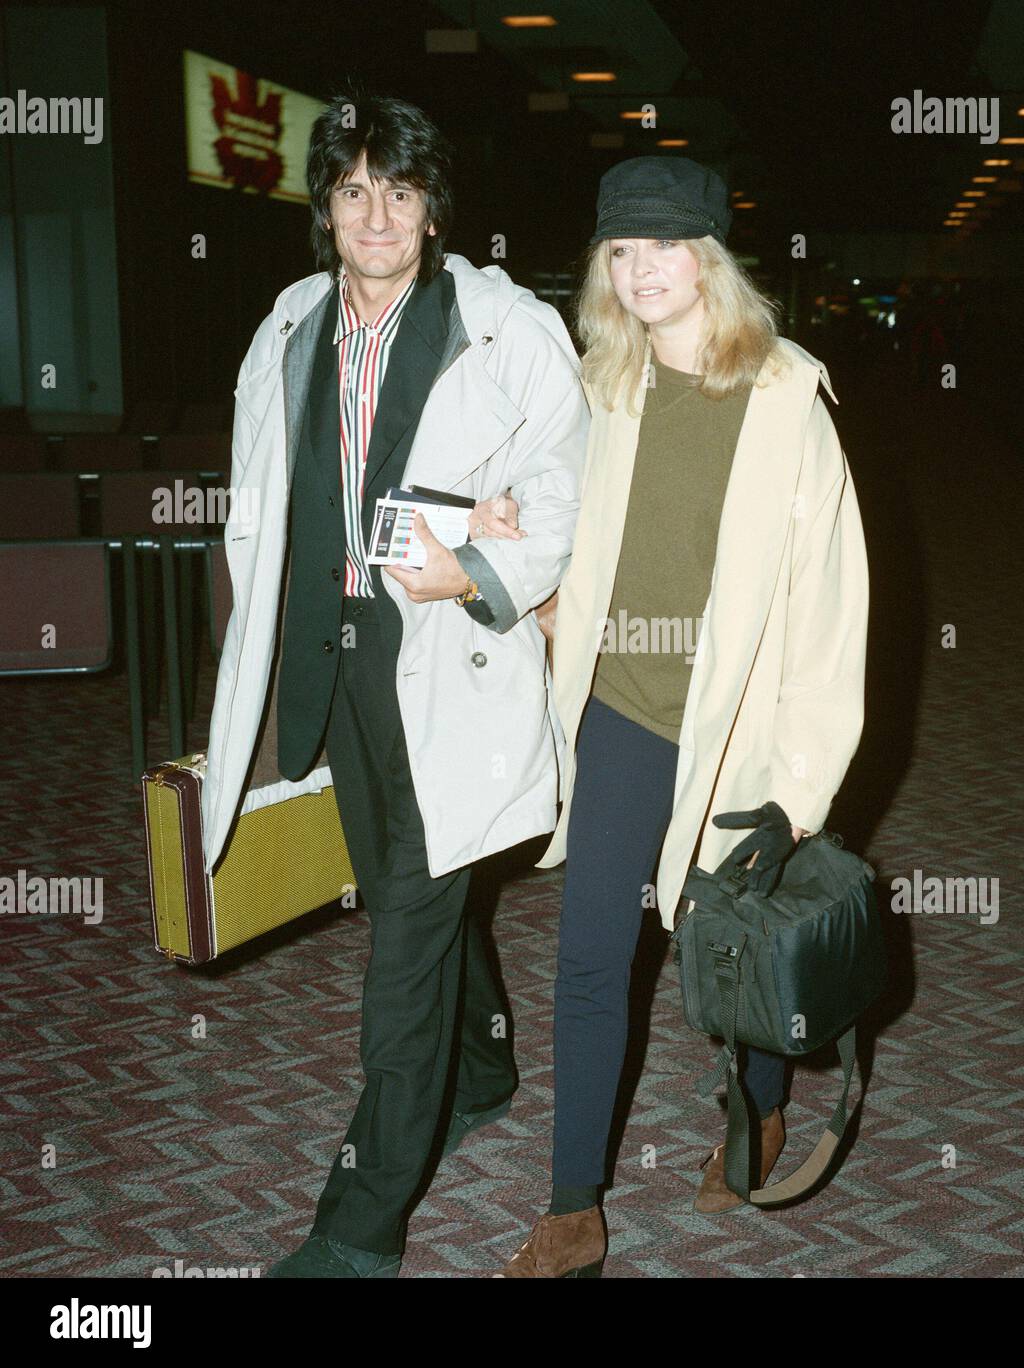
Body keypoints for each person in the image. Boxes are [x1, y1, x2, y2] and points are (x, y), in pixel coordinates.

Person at [198, 89, 589, 1278]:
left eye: (401, 191)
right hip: (334, 656)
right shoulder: (288, 325)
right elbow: (258, 494)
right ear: (325, 206)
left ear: (432, 209)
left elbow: (567, 487)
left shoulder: (504, 328)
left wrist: (476, 562)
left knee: (404, 937)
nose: (378, 214)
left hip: (448, 660)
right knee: (400, 880)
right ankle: (482, 1070)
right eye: (355, 189)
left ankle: (356, 1227)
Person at [493, 156, 870, 1277]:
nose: (642, 266)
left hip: (739, 734)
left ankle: (756, 1111)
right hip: (620, 712)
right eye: (623, 247)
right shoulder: (603, 384)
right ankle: (573, 1206)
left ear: (710, 258)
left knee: (728, 953)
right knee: (591, 957)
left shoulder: (784, 399)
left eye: (665, 244)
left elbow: (830, 615)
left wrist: (800, 792)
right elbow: (567, 523)